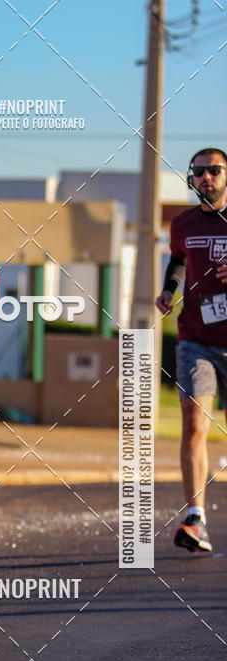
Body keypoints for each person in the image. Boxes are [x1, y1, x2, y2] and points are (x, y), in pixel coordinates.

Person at [155, 147, 227, 552]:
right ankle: (196, 518)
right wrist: (169, 289)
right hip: (195, 337)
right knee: (194, 424)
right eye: (198, 172)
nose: (206, 178)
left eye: (214, 170)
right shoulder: (182, 223)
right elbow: (178, 260)